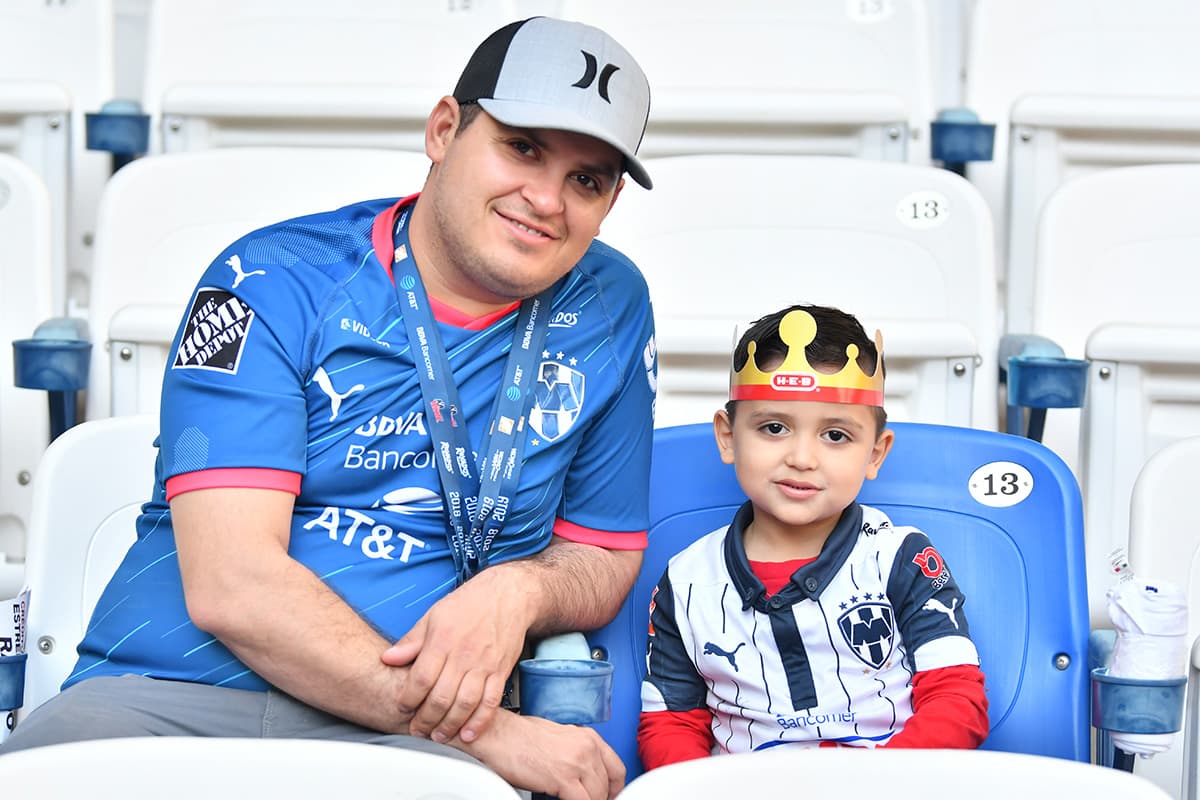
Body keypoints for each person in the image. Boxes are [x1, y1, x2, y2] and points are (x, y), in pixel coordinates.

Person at [5, 16, 657, 800]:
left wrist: (520, 591)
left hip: (414, 757)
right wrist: (485, 731)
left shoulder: (612, 305)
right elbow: (234, 586)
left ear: (611, 199)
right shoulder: (265, 278)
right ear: (445, 130)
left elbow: (605, 553)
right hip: (168, 700)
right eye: (522, 147)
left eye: (587, 180)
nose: (546, 199)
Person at [637, 304, 989, 768]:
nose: (802, 458)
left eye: (837, 436)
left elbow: (956, 698)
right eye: (774, 428)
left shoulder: (899, 557)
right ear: (727, 436)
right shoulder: (685, 583)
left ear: (875, 453)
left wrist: (884, 786)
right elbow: (672, 724)